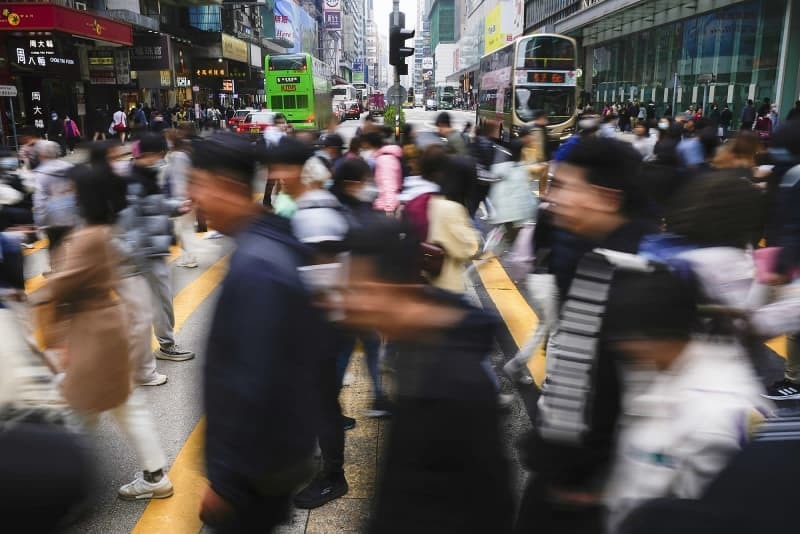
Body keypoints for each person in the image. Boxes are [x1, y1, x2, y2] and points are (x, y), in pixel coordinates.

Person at [335, 219, 514, 533]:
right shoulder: (417, 344)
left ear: (398, 287)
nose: (349, 303)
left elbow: (492, 504)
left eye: (359, 288)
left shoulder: (458, 382)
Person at [515, 137, 656, 534]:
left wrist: (581, 475)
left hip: (591, 492)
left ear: (607, 198)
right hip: (579, 479)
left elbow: (595, 384)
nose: (549, 198)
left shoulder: (629, 270)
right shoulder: (600, 256)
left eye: (561, 186)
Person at [188, 133, 323, 532]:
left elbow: (253, 381)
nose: (193, 198)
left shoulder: (257, 266)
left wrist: (227, 484)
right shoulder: (271, 239)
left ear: (228, 186)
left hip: (252, 477)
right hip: (272, 462)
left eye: (198, 184)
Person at [30, 165, 174, 501]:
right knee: (122, 405)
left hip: (92, 333)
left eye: (71, 191)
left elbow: (63, 284)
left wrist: (36, 298)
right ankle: (154, 475)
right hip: (104, 328)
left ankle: (63, 488)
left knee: (78, 410)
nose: (65, 196)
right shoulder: (102, 229)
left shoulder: (87, 236)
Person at [601, 268, 772, 532]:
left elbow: (723, 515)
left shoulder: (714, 414)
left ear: (645, 337)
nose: (621, 348)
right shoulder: (663, 369)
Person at [263, 138, 351, 510]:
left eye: (279, 169)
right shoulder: (305, 207)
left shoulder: (314, 213)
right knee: (314, 401)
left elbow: (323, 284)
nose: (273, 177)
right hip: (317, 326)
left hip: (321, 328)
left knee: (322, 404)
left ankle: (333, 476)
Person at [330, 158, 391, 417]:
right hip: (352, 296)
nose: (370, 186)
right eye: (366, 181)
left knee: (368, 343)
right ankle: (329, 404)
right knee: (346, 350)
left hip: (354, 296)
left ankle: (377, 396)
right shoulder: (346, 213)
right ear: (351, 184)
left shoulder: (343, 208)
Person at [128, 133, 195, 362]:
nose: (162, 159)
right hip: (145, 251)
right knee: (159, 301)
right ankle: (165, 347)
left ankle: (162, 346)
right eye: (160, 155)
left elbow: (154, 206)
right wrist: (138, 248)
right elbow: (129, 218)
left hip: (153, 247)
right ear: (149, 154)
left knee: (159, 300)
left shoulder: (145, 175)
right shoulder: (134, 181)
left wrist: (177, 206)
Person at [488, 138, 539, 251]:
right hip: (514, 215)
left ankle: (490, 254)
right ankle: (489, 257)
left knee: (504, 240)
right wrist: (529, 213)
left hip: (502, 214)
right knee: (509, 244)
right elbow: (523, 195)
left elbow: (495, 192)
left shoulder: (500, 168)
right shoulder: (520, 170)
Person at [31, 140, 75, 268]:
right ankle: (74, 269)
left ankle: (58, 270)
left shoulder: (39, 174)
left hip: (52, 217)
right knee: (73, 242)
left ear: (40, 155)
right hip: (72, 213)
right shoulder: (69, 167)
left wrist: (39, 222)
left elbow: (39, 201)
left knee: (55, 245)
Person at [360, 132, 403, 214]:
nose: (363, 151)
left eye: (365, 148)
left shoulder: (385, 160)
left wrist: (389, 209)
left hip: (384, 208)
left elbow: (389, 185)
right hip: (382, 206)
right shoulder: (382, 158)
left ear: (371, 145)